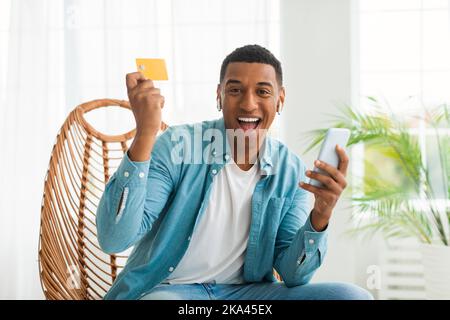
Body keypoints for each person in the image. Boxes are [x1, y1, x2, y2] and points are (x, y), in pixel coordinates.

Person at [96, 44, 373, 300]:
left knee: (352, 297)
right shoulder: (179, 146)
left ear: (280, 99)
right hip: (172, 292)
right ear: (219, 96)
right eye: (235, 90)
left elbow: (292, 275)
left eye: (263, 91)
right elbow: (114, 238)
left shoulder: (289, 170)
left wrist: (320, 216)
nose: (248, 104)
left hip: (247, 296)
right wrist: (146, 132)